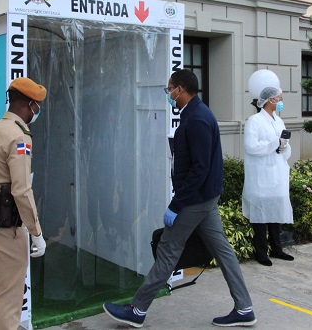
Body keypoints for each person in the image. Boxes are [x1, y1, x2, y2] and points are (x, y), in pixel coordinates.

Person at [103, 69, 256, 328]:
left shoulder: (196, 118)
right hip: (204, 199)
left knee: (167, 249)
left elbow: (200, 168)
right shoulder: (197, 113)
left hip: (195, 200)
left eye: (169, 89)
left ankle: (137, 310)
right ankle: (244, 307)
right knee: (224, 251)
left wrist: (176, 204)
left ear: (181, 89)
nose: (169, 94)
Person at [0, 77, 47, 330]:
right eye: (36, 106)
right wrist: (36, 232)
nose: (36, 111)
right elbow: (22, 191)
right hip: (4, 226)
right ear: (28, 104)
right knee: (9, 299)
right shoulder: (19, 137)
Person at [243, 83, 294, 266]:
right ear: (269, 100)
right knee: (260, 217)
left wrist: (283, 146)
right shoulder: (254, 121)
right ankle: (261, 253)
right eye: (278, 98)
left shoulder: (278, 121)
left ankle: (277, 249)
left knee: (275, 214)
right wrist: (274, 143)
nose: (280, 101)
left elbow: (284, 146)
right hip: (260, 176)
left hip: (277, 175)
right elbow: (251, 147)